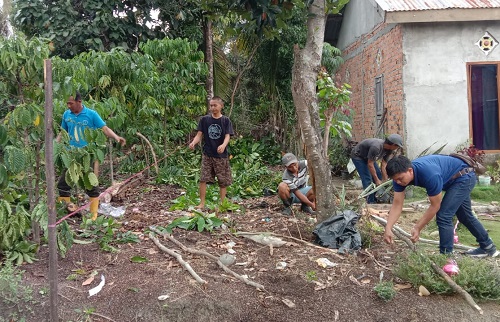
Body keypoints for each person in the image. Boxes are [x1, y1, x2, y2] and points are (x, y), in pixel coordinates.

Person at [383, 155, 498, 257]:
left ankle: (446, 257)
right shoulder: (398, 178)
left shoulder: (429, 174)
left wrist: (418, 227)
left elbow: (435, 206)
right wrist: (388, 228)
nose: (398, 182)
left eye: (400, 179)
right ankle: (488, 248)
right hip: (452, 180)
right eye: (395, 180)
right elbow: (397, 204)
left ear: (410, 170)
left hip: (464, 176)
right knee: (465, 216)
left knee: (444, 215)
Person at [57, 92, 126, 220]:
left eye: (70, 103)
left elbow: (104, 129)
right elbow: (62, 132)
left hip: (86, 155)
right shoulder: (67, 115)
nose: (68, 106)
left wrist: (116, 137)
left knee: (91, 185)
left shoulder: (91, 114)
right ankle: (66, 212)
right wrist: (55, 147)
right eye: (67, 103)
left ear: (79, 101)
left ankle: (93, 216)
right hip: (70, 155)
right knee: (63, 184)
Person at [189, 96, 234, 209]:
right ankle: (202, 203)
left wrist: (223, 145)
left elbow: (228, 136)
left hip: (221, 156)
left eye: (215, 105)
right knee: (203, 179)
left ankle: (223, 203)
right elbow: (199, 135)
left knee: (222, 181)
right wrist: (193, 143)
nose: (213, 108)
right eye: (211, 105)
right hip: (207, 154)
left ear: (221, 106)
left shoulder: (225, 120)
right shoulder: (204, 120)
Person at [350, 134, 403, 203]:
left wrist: (385, 179)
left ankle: (376, 198)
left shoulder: (389, 150)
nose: (397, 148)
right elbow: (370, 164)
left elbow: (384, 164)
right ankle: (370, 201)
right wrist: (377, 180)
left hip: (369, 158)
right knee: (367, 179)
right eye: (397, 146)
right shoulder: (376, 147)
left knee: (379, 175)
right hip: (358, 156)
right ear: (393, 144)